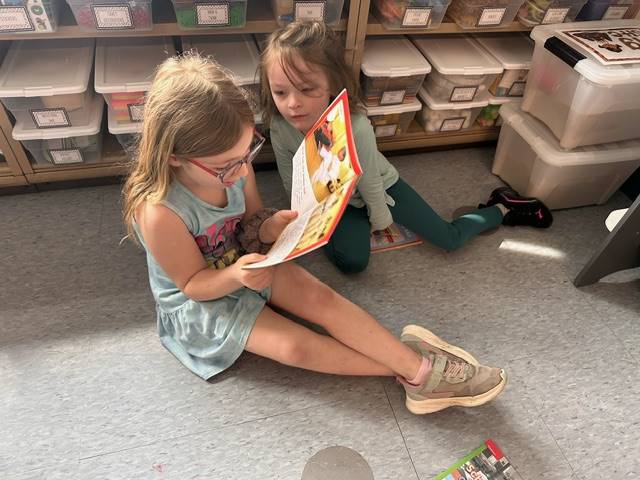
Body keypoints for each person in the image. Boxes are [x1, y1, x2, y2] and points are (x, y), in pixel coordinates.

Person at [121, 53, 507, 415]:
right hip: (205, 295)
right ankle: (409, 368)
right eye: (226, 167)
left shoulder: (235, 166)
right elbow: (192, 284)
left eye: (247, 154)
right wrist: (237, 275)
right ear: (174, 156)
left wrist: (270, 227)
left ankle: (415, 368)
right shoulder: (158, 211)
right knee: (294, 346)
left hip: (248, 260)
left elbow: (251, 223)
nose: (241, 172)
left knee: (322, 298)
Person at [260, 21, 553, 274]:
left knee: (448, 239)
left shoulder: (355, 124)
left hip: (381, 189)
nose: (293, 104)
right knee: (352, 263)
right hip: (337, 202)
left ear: (332, 84)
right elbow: (293, 183)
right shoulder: (280, 128)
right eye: (280, 92)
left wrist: (378, 214)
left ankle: (501, 208)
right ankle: (351, 225)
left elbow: (370, 179)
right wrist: (307, 222)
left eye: (307, 89)